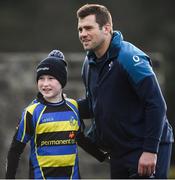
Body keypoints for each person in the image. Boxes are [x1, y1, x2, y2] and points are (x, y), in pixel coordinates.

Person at [76, 3, 174, 179]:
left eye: (88, 28)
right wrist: (62, 107)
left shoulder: (129, 58)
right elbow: (95, 106)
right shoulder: (88, 64)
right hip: (119, 151)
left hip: (146, 148)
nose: (83, 34)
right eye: (80, 29)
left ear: (106, 29)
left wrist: (150, 151)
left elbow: (156, 105)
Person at [5, 49, 107, 179]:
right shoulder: (31, 112)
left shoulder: (74, 107)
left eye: (51, 78)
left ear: (62, 81)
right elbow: (15, 150)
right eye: (41, 78)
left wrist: (103, 157)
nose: (45, 84)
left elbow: (80, 139)